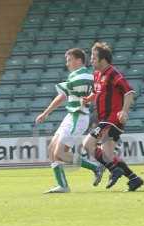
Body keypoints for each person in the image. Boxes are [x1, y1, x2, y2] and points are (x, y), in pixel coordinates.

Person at [35, 48, 105, 193]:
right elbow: (64, 95)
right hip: (71, 116)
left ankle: (96, 167)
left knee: (60, 153)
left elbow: (85, 90)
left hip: (78, 117)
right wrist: (46, 112)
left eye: (69, 60)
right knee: (51, 151)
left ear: (78, 60)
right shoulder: (77, 76)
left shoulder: (83, 76)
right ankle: (63, 186)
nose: (67, 63)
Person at [82, 42, 144, 192]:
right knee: (108, 156)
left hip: (111, 119)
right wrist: (88, 99)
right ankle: (134, 179)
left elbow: (129, 92)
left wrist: (124, 111)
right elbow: (98, 92)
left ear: (103, 59)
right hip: (103, 118)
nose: (91, 60)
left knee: (87, 144)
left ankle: (114, 170)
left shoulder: (113, 73)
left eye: (94, 57)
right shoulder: (97, 75)